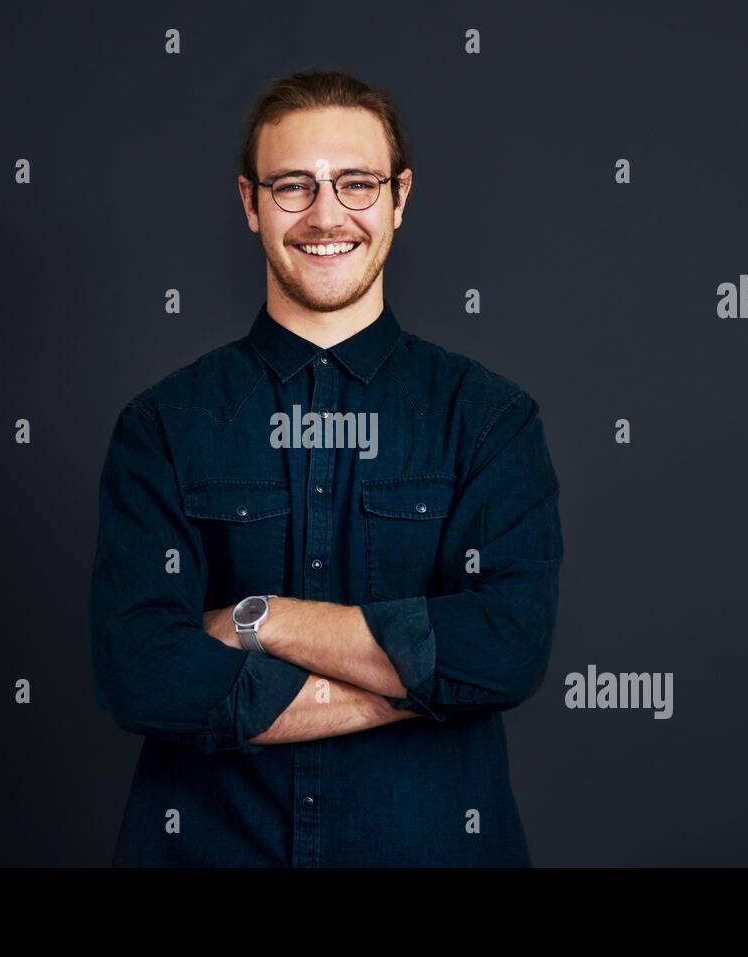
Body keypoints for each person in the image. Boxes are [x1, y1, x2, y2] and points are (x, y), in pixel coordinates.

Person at [89, 69, 564, 866]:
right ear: (249, 203)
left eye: (356, 183)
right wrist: (417, 685)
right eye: (292, 187)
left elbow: (505, 647)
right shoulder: (163, 425)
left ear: (400, 197)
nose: (326, 214)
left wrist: (260, 618)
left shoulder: (490, 419)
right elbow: (140, 670)